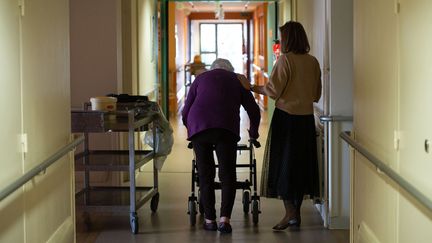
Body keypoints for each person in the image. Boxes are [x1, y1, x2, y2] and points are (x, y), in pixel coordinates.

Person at [239, 21, 322, 230]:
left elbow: (272, 91)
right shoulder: (313, 62)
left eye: (281, 37)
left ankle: (290, 213)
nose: (279, 41)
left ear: (289, 39)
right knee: (301, 166)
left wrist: (250, 86)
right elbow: (316, 94)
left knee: (282, 166)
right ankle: (295, 214)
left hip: (286, 120)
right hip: (305, 120)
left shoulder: (285, 61)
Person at [182, 58, 260, 233]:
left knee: (205, 174)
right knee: (227, 174)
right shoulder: (238, 80)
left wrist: (191, 132)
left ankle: (209, 220)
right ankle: (225, 220)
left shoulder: (200, 79)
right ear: (230, 69)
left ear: (211, 69)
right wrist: (254, 133)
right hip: (226, 129)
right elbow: (253, 110)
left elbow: (186, 111)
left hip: (200, 129)